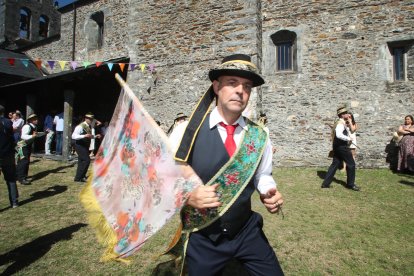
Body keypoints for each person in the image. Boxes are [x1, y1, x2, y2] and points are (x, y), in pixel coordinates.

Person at [169, 54, 284, 275]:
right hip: (202, 236)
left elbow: (263, 174)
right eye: (232, 83)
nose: (240, 91)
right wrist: (187, 195)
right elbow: (164, 178)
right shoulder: (186, 132)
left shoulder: (260, 135)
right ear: (216, 87)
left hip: (246, 232)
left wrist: (268, 191)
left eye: (247, 86)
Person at [321, 106, 360, 191]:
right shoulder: (340, 123)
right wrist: (348, 138)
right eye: (345, 113)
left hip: (337, 147)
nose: (347, 114)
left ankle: (325, 184)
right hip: (342, 147)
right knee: (351, 164)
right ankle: (350, 184)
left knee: (334, 164)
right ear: (342, 115)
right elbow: (338, 135)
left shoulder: (340, 122)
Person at [72, 113, 101, 182]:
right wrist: (84, 136)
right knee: (86, 160)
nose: (91, 120)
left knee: (81, 161)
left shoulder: (88, 126)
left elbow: (89, 135)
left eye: (92, 119)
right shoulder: (80, 126)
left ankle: (79, 177)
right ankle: (81, 177)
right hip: (79, 145)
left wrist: (95, 136)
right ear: (86, 119)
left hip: (84, 145)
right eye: (90, 119)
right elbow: (73, 136)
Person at [0, 105, 19, 208]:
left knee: (11, 178)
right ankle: (14, 202)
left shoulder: (7, 122)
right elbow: (11, 138)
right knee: (11, 179)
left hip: (6, 153)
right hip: (8, 154)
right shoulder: (8, 122)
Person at [16, 114, 39, 185]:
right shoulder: (27, 126)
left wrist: (44, 133)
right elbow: (23, 136)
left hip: (27, 145)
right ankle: (21, 178)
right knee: (23, 161)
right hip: (23, 145)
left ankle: (22, 176)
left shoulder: (33, 127)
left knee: (25, 161)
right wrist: (32, 136)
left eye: (36, 118)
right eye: (34, 119)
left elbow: (35, 135)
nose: (36, 120)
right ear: (30, 120)